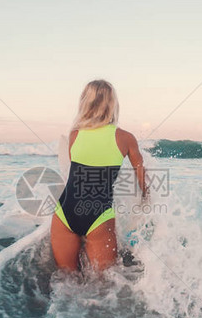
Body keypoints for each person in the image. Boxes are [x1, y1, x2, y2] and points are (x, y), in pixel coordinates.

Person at [51, 79, 147, 271]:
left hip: (65, 212)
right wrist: (146, 198)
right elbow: (140, 172)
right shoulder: (125, 138)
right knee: (103, 287)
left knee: (66, 280)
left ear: (84, 102)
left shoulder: (75, 135)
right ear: (113, 104)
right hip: (99, 215)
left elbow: (76, 174)